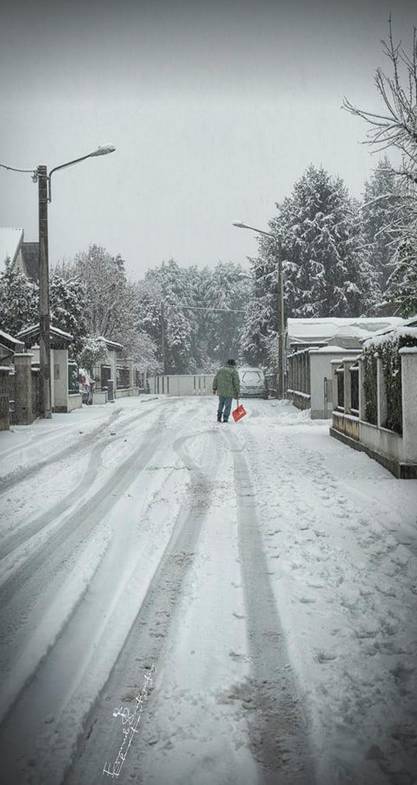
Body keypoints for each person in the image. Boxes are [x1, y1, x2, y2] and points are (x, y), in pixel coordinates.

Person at [212, 359, 240, 423]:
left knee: (221, 404)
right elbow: (236, 382)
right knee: (228, 406)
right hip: (229, 392)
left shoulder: (220, 370)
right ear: (233, 364)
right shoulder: (234, 371)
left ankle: (219, 417)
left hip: (221, 391)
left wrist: (214, 388)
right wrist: (237, 392)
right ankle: (225, 419)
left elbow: (215, 379)